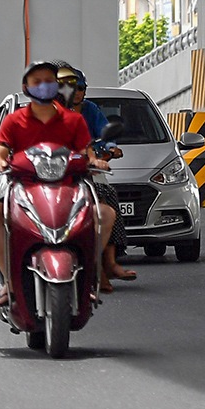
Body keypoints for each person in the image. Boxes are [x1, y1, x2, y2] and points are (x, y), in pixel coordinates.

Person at [0, 60, 109, 309]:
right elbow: (0, 150)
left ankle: (89, 278)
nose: (43, 87)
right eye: (36, 81)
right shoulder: (13, 121)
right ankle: (8, 281)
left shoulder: (74, 121)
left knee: (104, 214)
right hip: (24, 187)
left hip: (70, 188)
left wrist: (96, 161)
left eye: (49, 81)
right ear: (26, 87)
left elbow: (87, 151)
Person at [57, 64, 133, 288]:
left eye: (79, 87)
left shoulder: (87, 113)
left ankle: (106, 262)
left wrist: (105, 152)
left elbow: (92, 142)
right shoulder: (42, 113)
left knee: (106, 197)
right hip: (50, 177)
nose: (76, 92)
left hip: (81, 173)